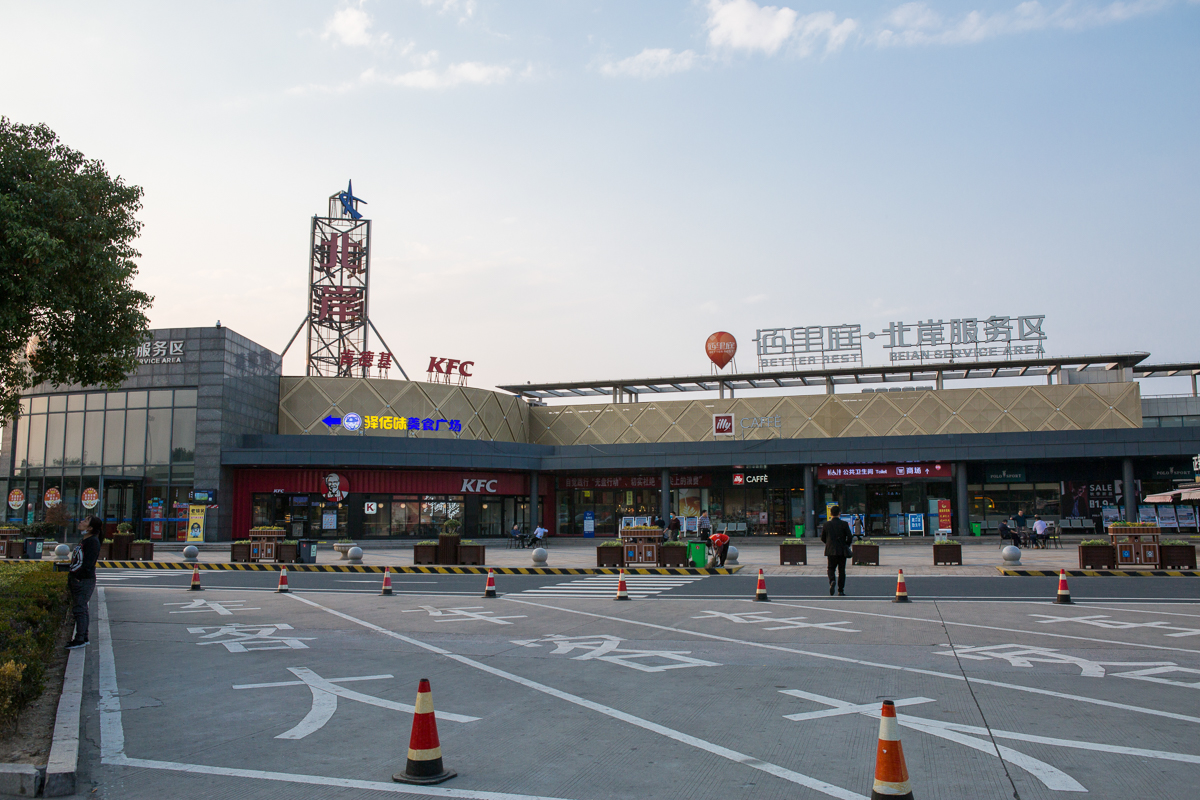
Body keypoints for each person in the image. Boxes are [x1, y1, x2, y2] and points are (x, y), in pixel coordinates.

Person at [66, 516, 103, 650]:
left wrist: (78, 577)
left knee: (80, 609)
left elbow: (88, 563)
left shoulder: (92, 542)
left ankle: (80, 638)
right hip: (80, 579)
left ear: (90, 528)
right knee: (81, 608)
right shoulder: (85, 540)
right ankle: (83, 636)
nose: (81, 521)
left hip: (84, 580)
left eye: (85, 521)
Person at [821, 504, 853, 596]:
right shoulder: (844, 524)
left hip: (830, 550)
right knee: (842, 570)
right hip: (842, 550)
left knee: (831, 568)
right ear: (839, 513)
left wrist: (828, 543)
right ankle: (841, 590)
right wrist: (846, 545)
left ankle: (832, 580)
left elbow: (823, 537)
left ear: (831, 513)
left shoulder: (826, 524)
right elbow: (850, 537)